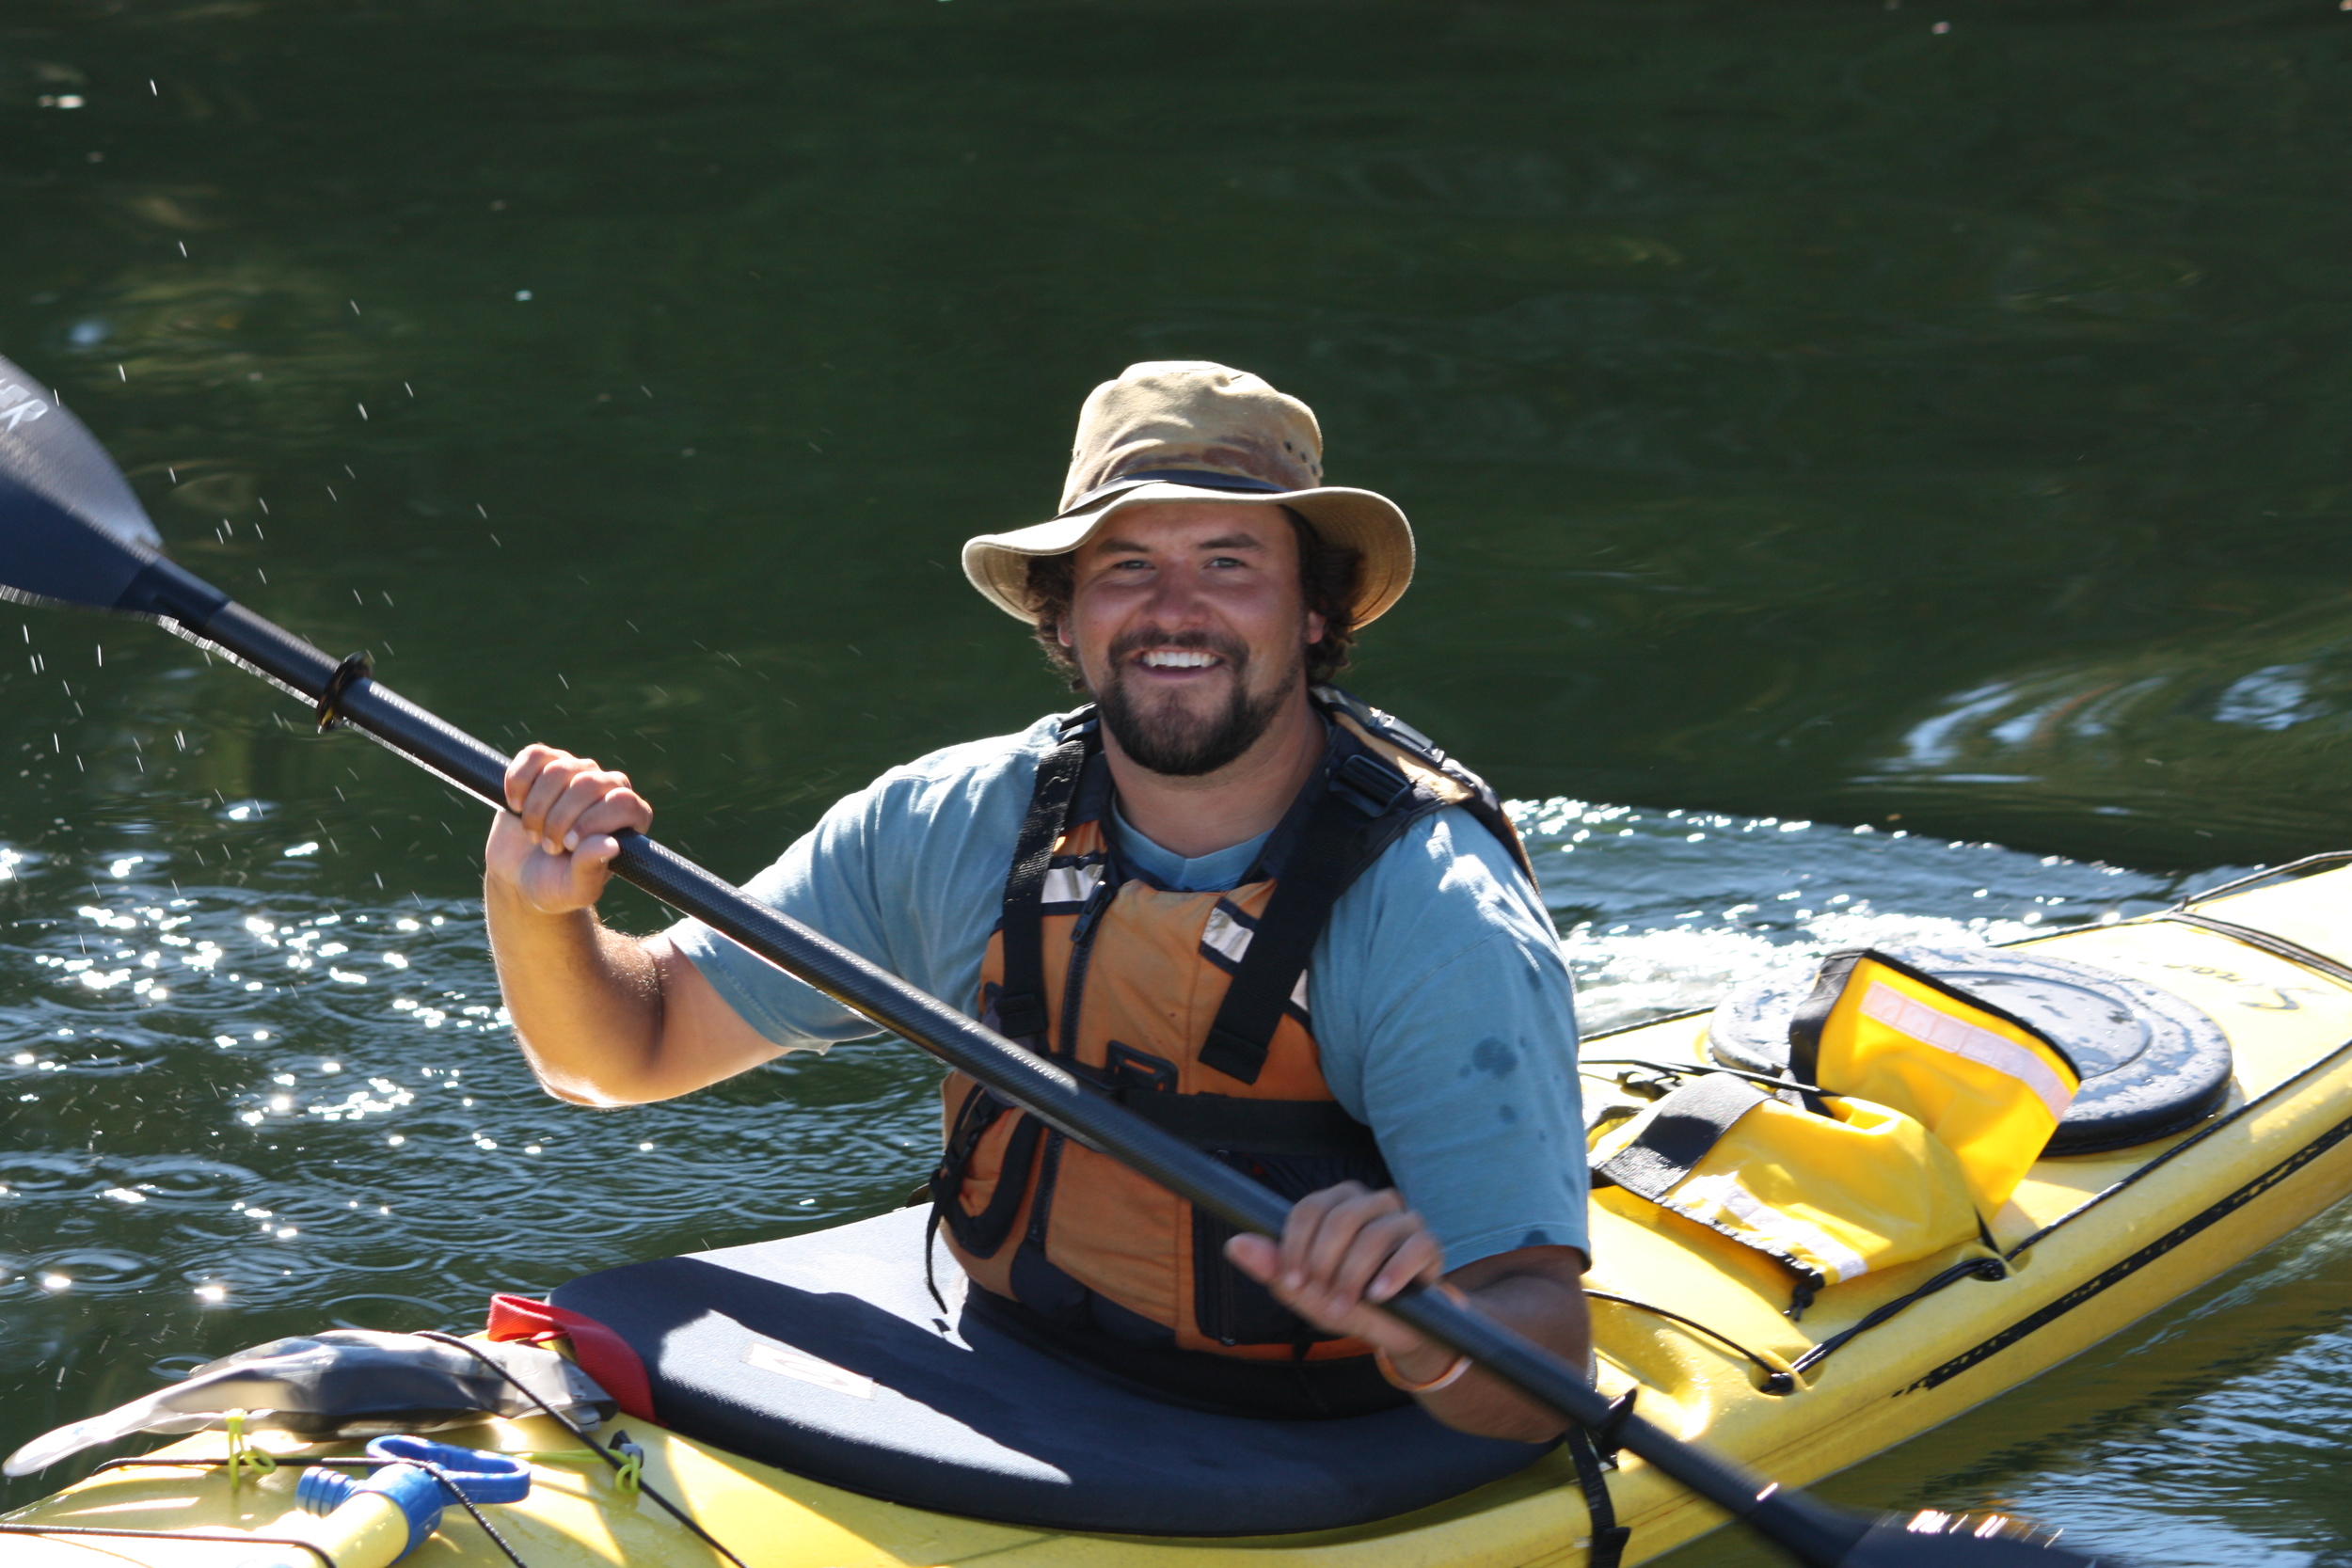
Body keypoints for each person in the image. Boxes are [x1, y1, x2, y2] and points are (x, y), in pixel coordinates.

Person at [483, 362, 1590, 1441]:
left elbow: (1546, 1364)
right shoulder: (947, 823)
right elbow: (625, 1052)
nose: (1173, 610)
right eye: (1123, 567)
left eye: (1227, 560)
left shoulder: (1434, 913)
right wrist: (539, 906)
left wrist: (1426, 1333)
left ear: (1313, 610)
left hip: (1313, 1430)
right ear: (1063, 617)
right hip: (1010, 1361)